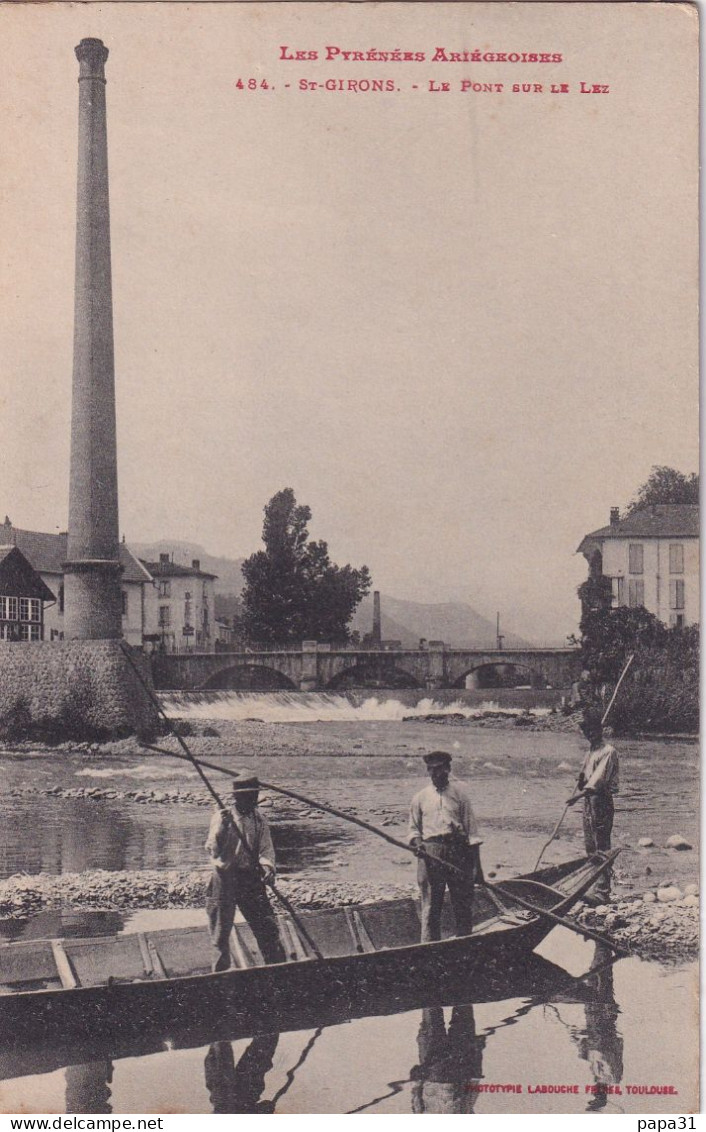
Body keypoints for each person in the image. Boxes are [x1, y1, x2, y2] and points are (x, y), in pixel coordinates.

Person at [205, 771, 286, 971]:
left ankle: (277, 969)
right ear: (237, 797)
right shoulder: (223, 817)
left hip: (250, 878)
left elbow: (266, 848)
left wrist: (267, 866)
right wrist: (222, 829)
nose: (253, 799)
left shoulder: (259, 820)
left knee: (267, 927)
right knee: (220, 932)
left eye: (255, 795)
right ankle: (220, 975)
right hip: (225, 878)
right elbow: (212, 849)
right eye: (248, 796)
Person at [408, 751, 484, 942]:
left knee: (462, 900)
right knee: (431, 902)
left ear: (448, 769)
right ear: (428, 771)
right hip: (430, 852)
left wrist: (477, 868)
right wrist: (418, 845)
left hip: (458, 851)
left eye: (440, 769)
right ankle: (430, 945)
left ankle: (464, 941)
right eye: (432, 770)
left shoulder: (460, 796)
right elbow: (414, 831)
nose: (436, 774)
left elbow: (473, 834)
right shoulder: (420, 798)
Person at [567, 714, 619, 902]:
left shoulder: (608, 751)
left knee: (602, 845)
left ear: (600, 730)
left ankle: (603, 892)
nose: (590, 734)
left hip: (601, 801)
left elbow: (598, 781)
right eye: (587, 732)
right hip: (589, 801)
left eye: (593, 731)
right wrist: (580, 782)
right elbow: (586, 782)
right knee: (590, 845)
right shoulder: (591, 751)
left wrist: (577, 795)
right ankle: (592, 888)